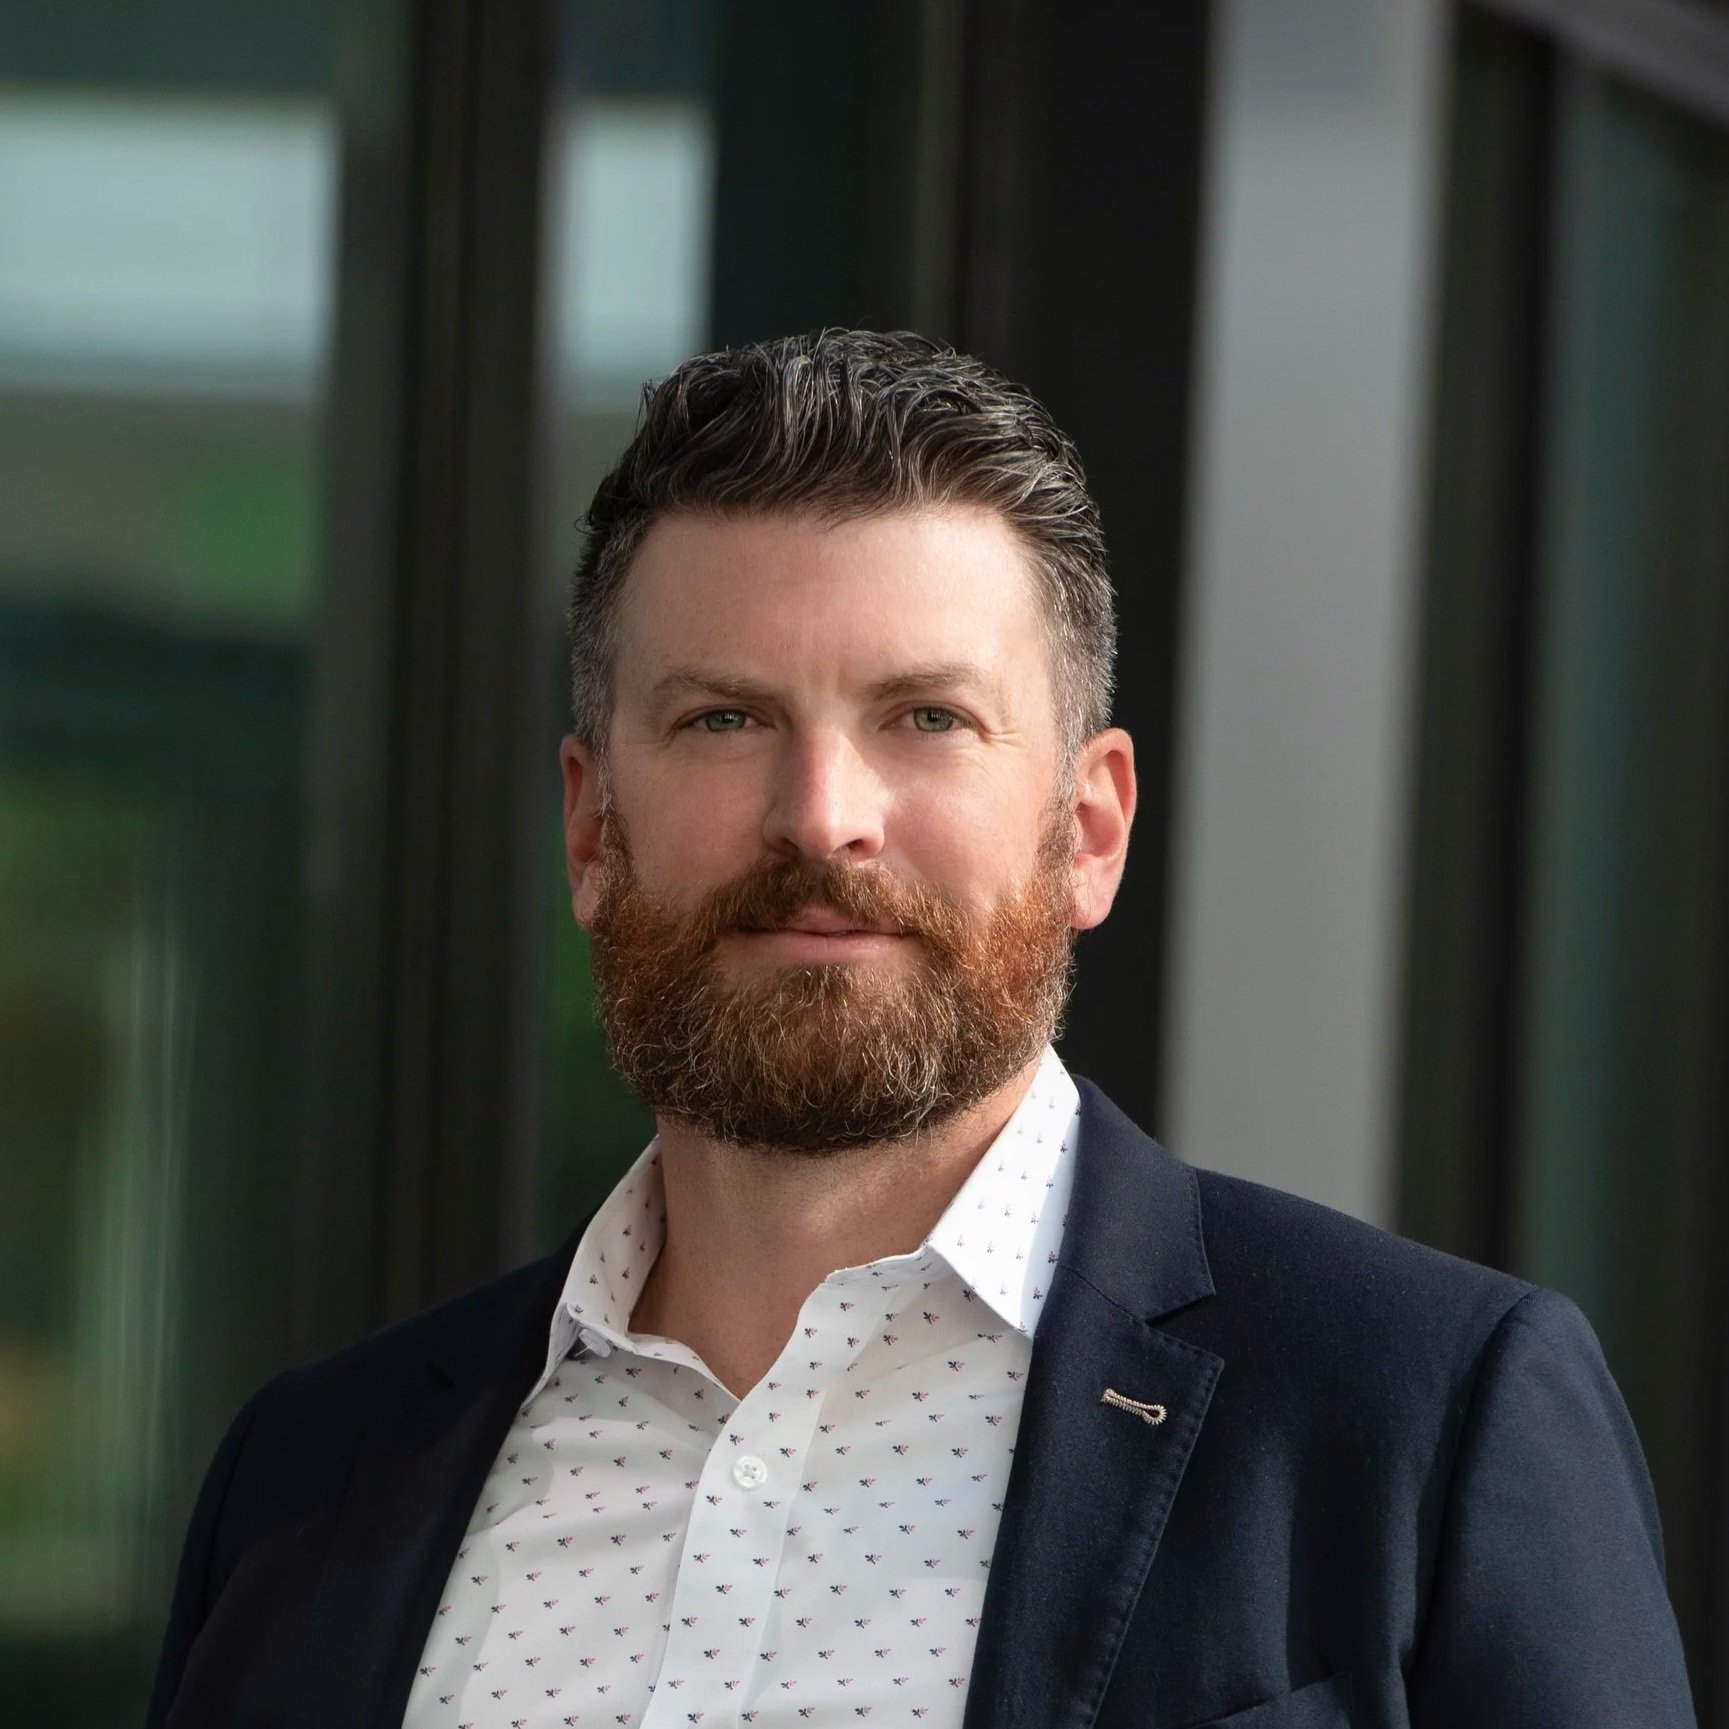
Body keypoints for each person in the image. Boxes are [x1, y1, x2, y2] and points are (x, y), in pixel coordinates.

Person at [147, 329, 1694, 1729]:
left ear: (1087, 827)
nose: (821, 817)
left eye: (925, 719)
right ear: (588, 826)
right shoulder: (310, 1476)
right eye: (723, 718)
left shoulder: (1419, 1416)